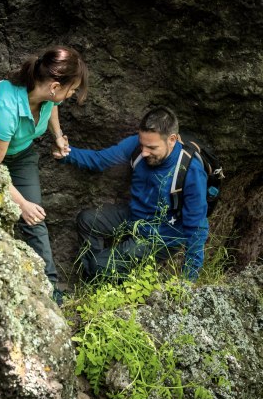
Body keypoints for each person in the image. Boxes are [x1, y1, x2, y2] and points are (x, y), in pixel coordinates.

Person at [53, 106, 209, 281]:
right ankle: (97, 275)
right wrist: (66, 153)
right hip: (134, 216)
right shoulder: (137, 146)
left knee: (100, 265)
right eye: (142, 144)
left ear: (171, 140)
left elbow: (197, 228)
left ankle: (101, 274)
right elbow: (100, 160)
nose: (144, 152)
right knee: (87, 220)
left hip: (160, 235)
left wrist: (188, 281)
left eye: (151, 147)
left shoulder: (189, 170)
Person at [0, 46, 89, 303]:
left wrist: (57, 136)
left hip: (22, 156)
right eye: (72, 89)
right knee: (25, 211)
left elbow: (51, 108)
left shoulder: (45, 95)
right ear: (55, 87)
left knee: (36, 219)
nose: (72, 95)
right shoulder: (6, 107)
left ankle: (51, 288)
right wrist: (21, 203)